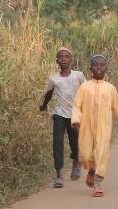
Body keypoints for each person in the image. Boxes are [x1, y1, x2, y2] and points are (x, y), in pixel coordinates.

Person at [71, 55, 118, 198]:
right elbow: (77, 105)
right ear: (91, 68)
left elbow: (117, 107)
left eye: (102, 65)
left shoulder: (110, 88)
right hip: (86, 127)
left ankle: (98, 184)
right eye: (96, 65)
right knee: (84, 155)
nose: (99, 67)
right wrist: (76, 120)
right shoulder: (84, 87)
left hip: (104, 127)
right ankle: (91, 169)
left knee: (101, 153)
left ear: (106, 68)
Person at [39, 47, 86, 188]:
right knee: (57, 143)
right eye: (61, 57)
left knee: (75, 143)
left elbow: (87, 91)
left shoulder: (78, 75)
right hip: (59, 114)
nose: (63, 59)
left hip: (75, 115)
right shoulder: (54, 78)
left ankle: (76, 162)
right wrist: (44, 105)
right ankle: (58, 175)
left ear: (71, 59)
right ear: (57, 60)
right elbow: (49, 93)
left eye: (66, 57)